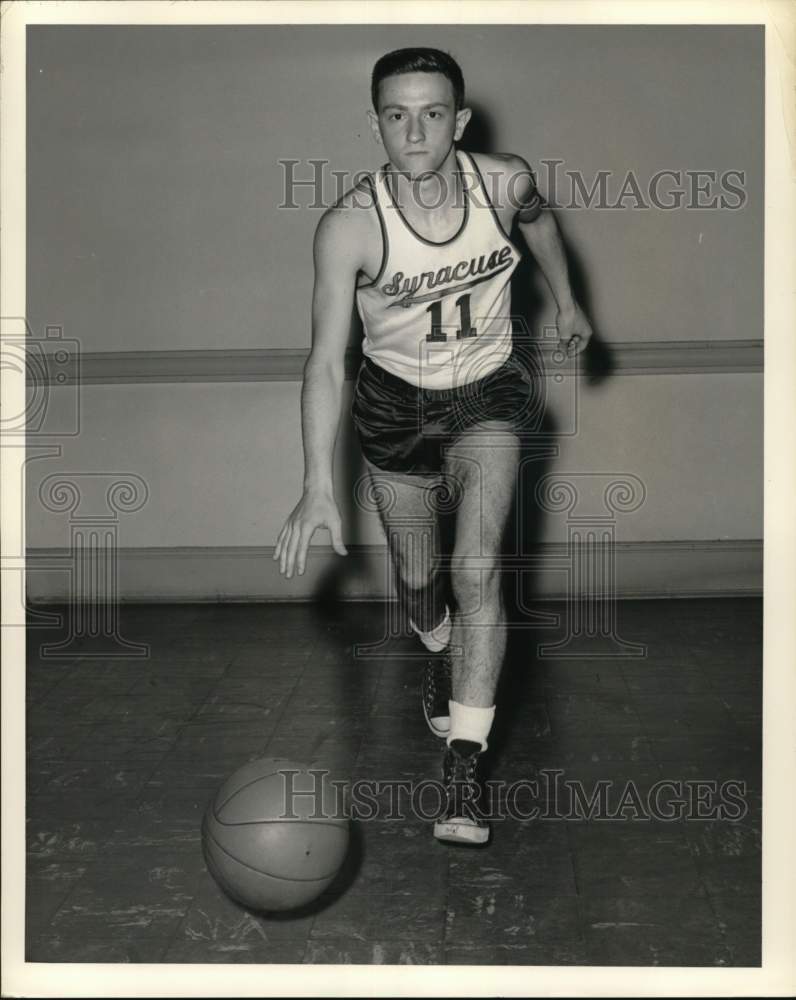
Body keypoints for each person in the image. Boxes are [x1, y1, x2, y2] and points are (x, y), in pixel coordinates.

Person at [274, 47, 593, 845]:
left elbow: (542, 223)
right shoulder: (348, 225)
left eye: (431, 112)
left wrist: (566, 301)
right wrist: (317, 481)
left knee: (478, 567)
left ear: (461, 119)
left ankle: (463, 771)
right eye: (395, 114)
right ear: (375, 121)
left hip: (488, 388)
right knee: (421, 583)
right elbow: (323, 361)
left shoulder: (504, 181)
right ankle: (434, 640)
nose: (414, 131)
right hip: (393, 406)